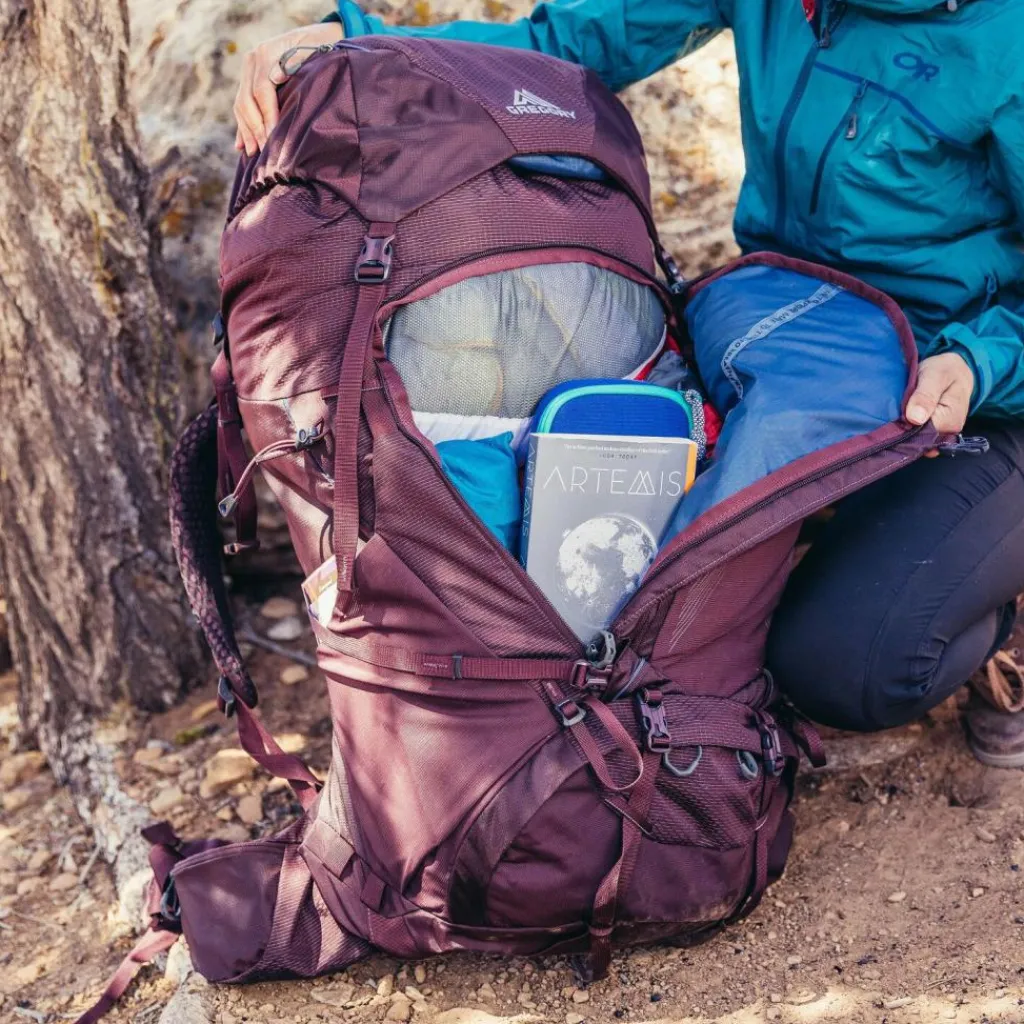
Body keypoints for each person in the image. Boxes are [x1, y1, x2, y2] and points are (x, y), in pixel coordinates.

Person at [233, 0, 1024, 766]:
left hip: (965, 391)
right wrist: (355, 47)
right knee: (634, 553)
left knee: (844, 666)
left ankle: (1000, 612)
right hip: (787, 344)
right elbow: (565, 45)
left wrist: (980, 361)